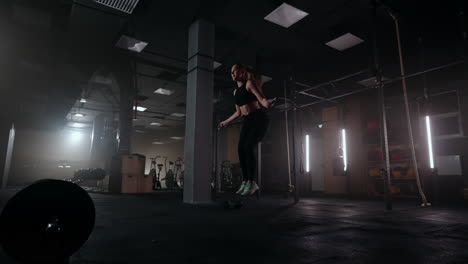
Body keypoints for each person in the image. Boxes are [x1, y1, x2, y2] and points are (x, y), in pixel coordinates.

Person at [219, 64, 273, 196]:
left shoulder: (249, 83)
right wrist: (225, 122)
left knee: (248, 147)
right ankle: (245, 181)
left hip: (259, 119)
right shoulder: (235, 92)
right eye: (231, 72)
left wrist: (267, 103)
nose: (232, 74)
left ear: (242, 72)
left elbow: (262, 99)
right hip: (247, 121)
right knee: (240, 149)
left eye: (235, 71)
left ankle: (252, 182)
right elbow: (238, 112)